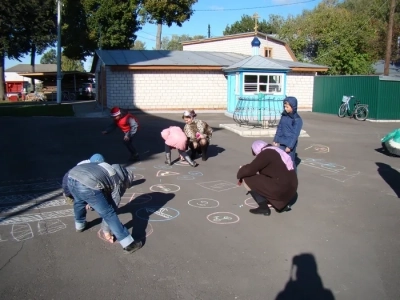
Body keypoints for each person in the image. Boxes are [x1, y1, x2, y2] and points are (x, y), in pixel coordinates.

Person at [67, 162, 142, 253]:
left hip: (71, 176)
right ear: (125, 180)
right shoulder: (118, 182)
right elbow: (111, 209)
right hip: (87, 183)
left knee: (79, 202)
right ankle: (129, 244)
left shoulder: (108, 169)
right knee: (109, 213)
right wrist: (106, 231)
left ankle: (80, 226)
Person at [237, 140, 298, 216]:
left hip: (282, 189)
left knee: (246, 178)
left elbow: (250, 169)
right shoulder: (276, 150)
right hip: (292, 189)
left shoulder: (266, 153)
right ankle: (282, 204)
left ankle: (263, 207)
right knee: (265, 179)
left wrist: (241, 170)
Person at [273, 97, 303, 171]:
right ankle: (283, 177)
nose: (285, 108)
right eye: (284, 106)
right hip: (282, 141)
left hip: (289, 144)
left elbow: (295, 135)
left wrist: (290, 146)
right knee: (281, 160)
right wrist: (276, 139)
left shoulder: (297, 119)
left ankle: (293, 178)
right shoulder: (284, 116)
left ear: (293, 107)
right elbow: (279, 128)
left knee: (290, 162)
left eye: (287, 107)